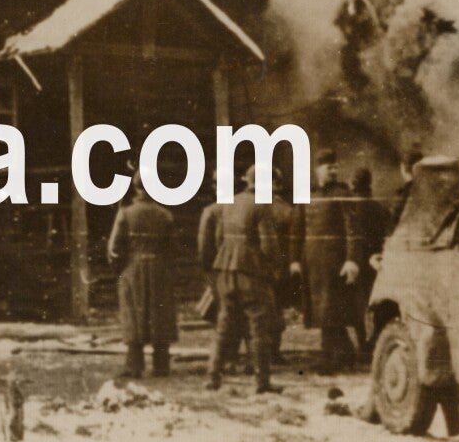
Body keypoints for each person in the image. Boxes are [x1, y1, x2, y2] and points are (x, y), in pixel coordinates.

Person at [198, 169, 286, 395]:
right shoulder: (261, 206)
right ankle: (262, 382)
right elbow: (269, 246)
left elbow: (219, 239)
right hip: (252, 274)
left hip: (226, 272)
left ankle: (212, 377)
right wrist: (273, 268)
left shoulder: (229, 203)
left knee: (224, 325)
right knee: (259, 327)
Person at [291, 149, 363, 373]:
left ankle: (329, 358)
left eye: (335, 167)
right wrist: (294, 259)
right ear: (318, 169)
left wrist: (352, 260)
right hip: (312, 263)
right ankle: (345, 354)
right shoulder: (306, 194)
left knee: (330, 311)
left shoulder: (343, 193)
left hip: (335, 262)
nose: (333, 171)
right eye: (328, 167)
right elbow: (296, 230)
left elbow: (353, 229)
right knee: (323, 311)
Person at [107, 187, 178, 380]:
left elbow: (114, 250)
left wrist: (120, 269)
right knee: (160, 314)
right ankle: (161, 365)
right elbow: (172, 248)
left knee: (133, 314)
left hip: (133, 268)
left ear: (137, 189)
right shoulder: (165, 215)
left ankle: (135, 366)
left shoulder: (125, 214)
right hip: (159, 268)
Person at [346, 168, 393, 355]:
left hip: (357, 261)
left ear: (353, 183)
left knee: (358, 305)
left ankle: (363, 345)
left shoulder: (351, 207)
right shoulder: (379, 208)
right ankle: (374, 342)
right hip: (376, 261)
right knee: (376, 304)